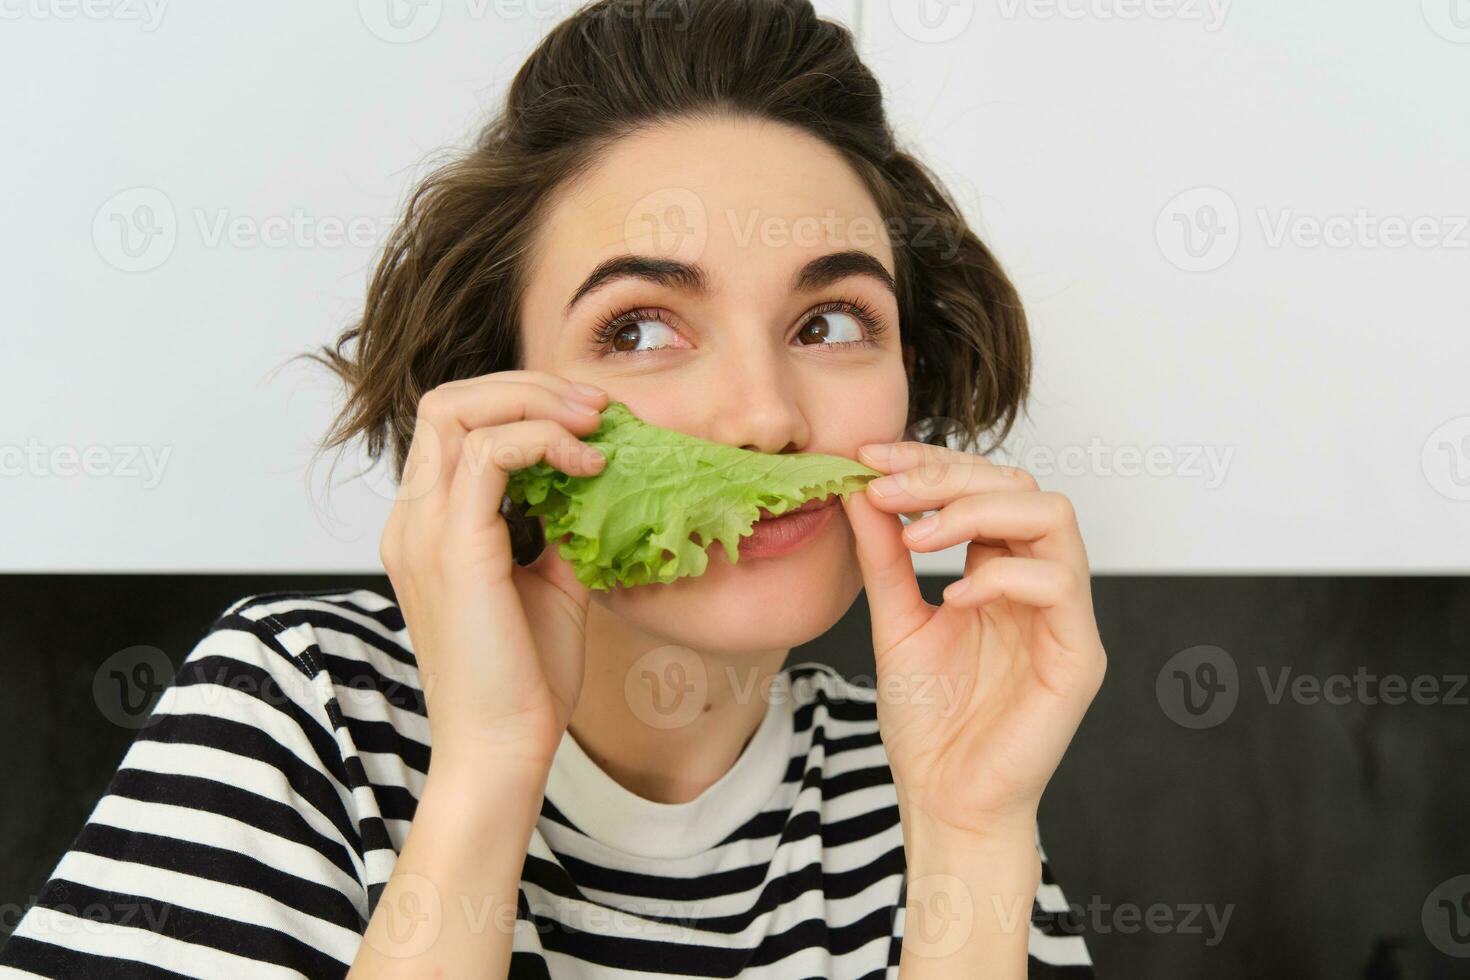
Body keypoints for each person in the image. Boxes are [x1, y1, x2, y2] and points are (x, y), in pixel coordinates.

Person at [0, 1, 1106, 976]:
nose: (766, 417)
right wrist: (485, 770)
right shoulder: (307, 711)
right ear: (498, 399)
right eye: (638, 328)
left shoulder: (926, 768)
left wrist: (971, 835)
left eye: (830, 323)